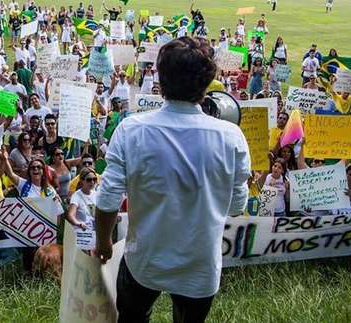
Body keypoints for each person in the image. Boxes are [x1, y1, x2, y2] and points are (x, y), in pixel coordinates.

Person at [95, 37, 250, 323]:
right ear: (207, 84)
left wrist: (104, 242)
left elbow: (107, 199)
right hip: (200, 265)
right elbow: (236, 206)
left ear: (161, 80)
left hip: (144, 260)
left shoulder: (131, 130)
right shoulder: (232, 137)